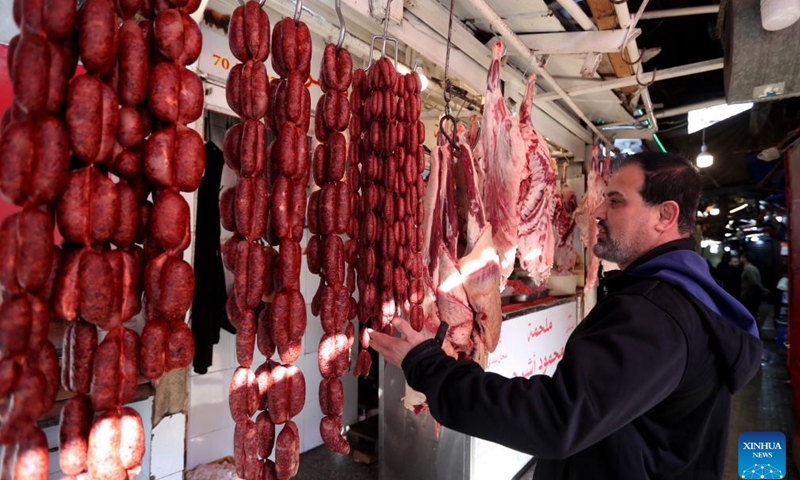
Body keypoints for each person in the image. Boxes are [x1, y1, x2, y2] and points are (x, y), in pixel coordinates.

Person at [368, 152, 762, 480]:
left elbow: (556, 419)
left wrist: (429, 368)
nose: (598, 212)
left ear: (665, 215)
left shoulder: (657, 313)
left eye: (616, 201)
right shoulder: (676, 299)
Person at [740, 253, 769, 326]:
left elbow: (754, 282)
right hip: (751, 295)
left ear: (745, 258)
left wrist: (762, 289)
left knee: (750, 313)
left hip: (749, 295)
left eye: (741, 257)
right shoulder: (752, 268)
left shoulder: (748, 269)